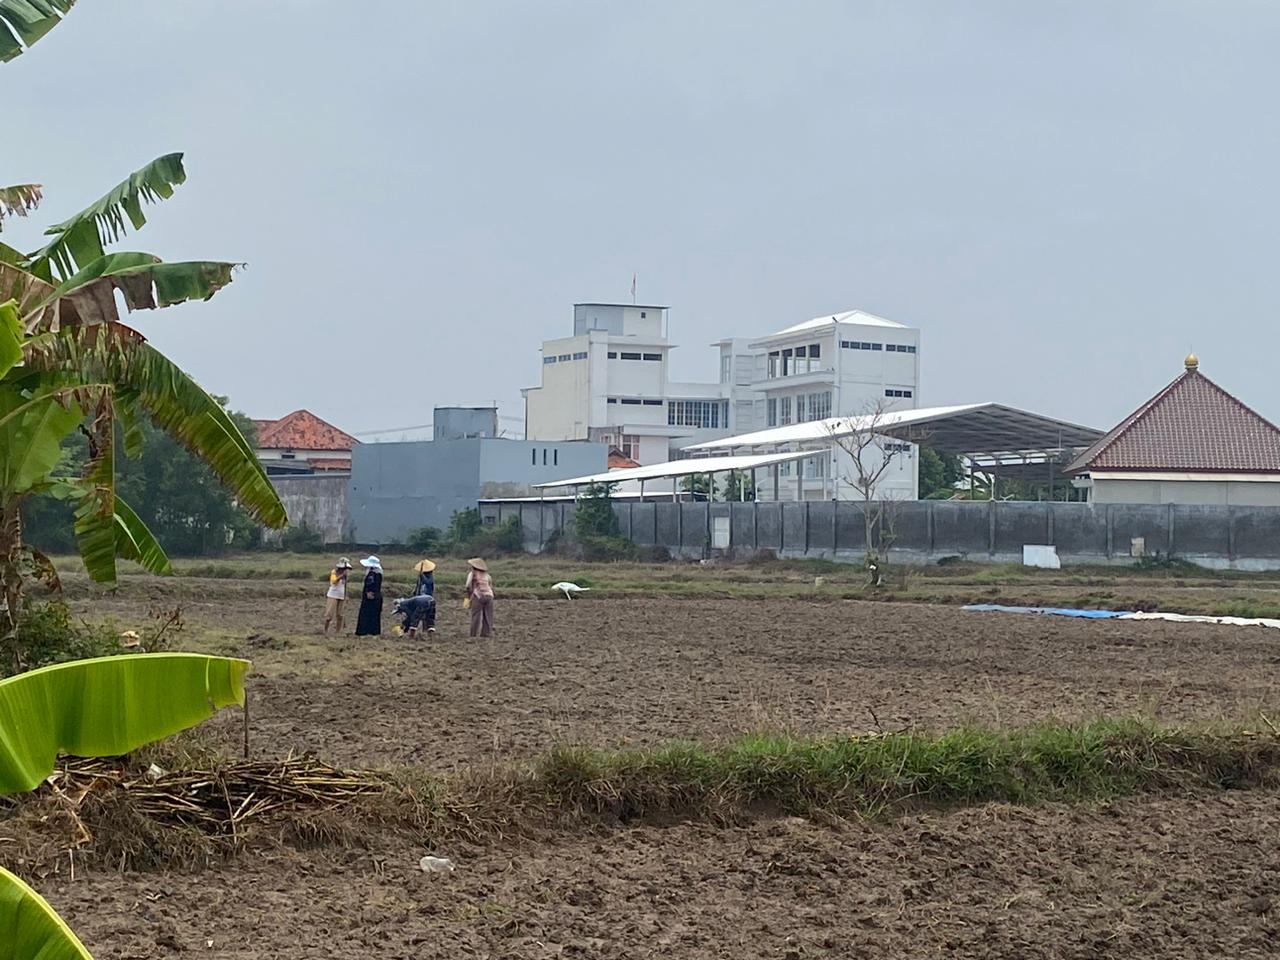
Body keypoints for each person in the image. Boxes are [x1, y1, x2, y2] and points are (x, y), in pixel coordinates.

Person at [465, 557, 494, 638]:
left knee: (476, 616)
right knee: (488, 616)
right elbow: (490, 586)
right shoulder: (487, 575)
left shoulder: (472, 574)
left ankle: (473, 634)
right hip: (489, 596)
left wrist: (469, 596)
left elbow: (468, 586)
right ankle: (486, 634)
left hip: (478, 596)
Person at [354, 555, 383, 636]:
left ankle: (366, 632)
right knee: (370, 614)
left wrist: (370, 593)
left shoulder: (374, 575)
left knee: (368, 614)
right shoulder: (374, 573)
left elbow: (373, 586)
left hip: (372, 597)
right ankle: (370, 632)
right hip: (372, 597)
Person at [323, 557, 352, 634]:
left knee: (340, 615)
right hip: (333, 595)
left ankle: (338, 632)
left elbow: (345, 585)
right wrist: (341, 576)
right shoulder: (334, 572)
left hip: (342, 596)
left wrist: (346, 595)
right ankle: (325, 630)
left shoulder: (345, 575)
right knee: (329, 614)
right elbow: (334, 581)